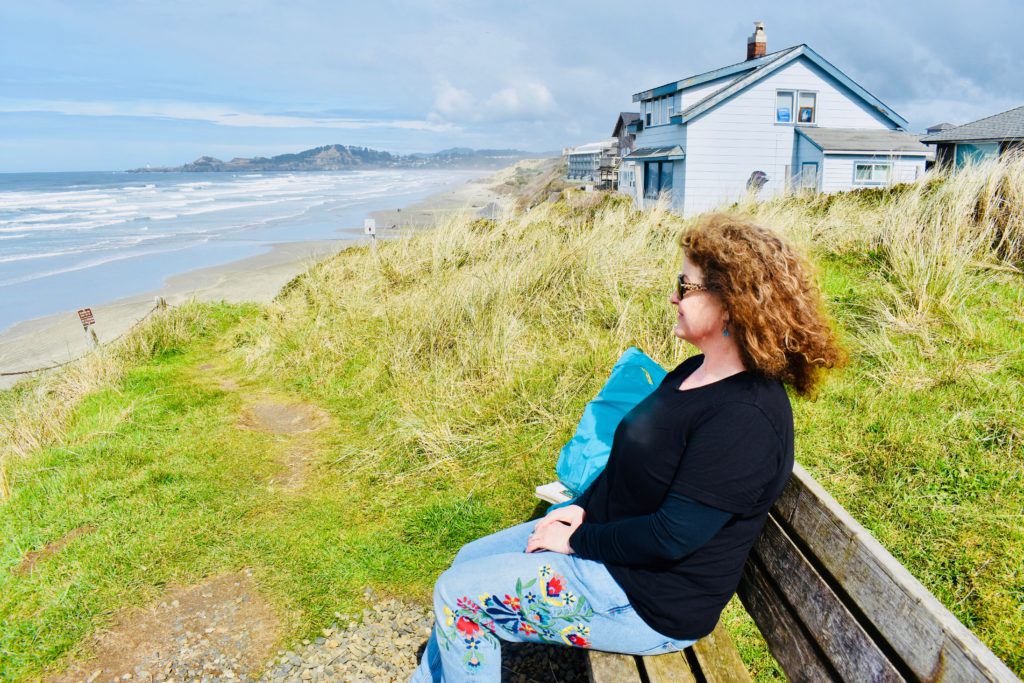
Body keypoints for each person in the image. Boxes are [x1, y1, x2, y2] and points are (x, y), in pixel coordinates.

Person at [410, 213, 846, 682]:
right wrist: (581, 510)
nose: (673, 296)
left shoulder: (745, 419)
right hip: (613, 553)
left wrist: (574, 542)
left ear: (730, 305)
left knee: (459, 598)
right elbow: (627, 462)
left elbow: (670, 537)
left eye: (686, 286)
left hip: (646, 600)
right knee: (467, 562)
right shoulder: (692, 374)